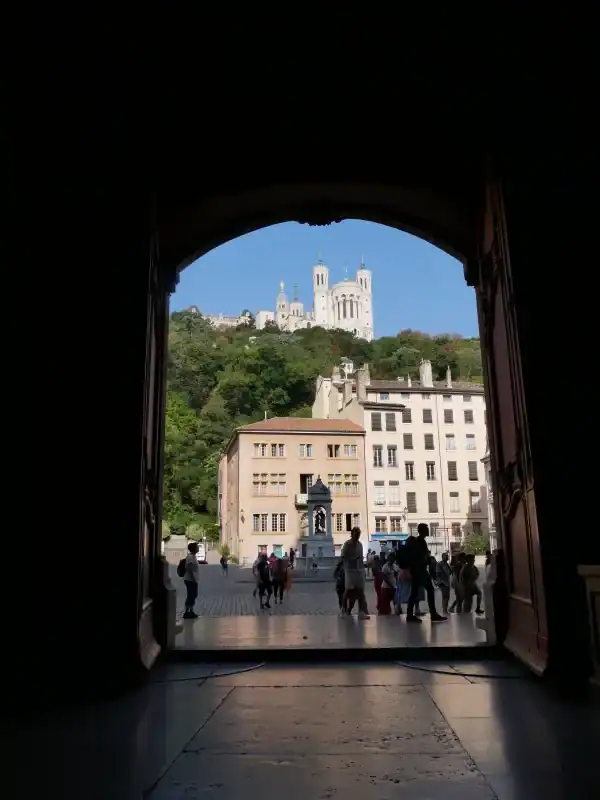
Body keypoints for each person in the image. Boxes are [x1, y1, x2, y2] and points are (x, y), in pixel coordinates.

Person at [403, 524, 446, 623]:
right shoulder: (420, 542)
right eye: (426, 529)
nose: (428, 531)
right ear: (422, 531)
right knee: (429, 590)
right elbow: (423, 557)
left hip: (417, 571)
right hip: (420, 571)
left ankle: (410, 615)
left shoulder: (418, 542)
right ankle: (433, 614)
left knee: (414, 593)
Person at [340, 527, 370, 619]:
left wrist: (363, 571)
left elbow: (360, 558)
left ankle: (361, 612)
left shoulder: (360, 545)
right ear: (352, 534)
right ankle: (343, 610)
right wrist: (352, 559)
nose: (357, 535)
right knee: (348, 590)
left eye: (359, 534)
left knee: (360, 591)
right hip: (350, 570)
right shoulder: (347, 544)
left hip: (359, 570)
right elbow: (343, 556)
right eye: (356, 533)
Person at [183, 541, 200, 620]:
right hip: (190, 579)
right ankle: (186, 612)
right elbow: (189, 567)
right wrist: (194, 578)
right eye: (197, 547)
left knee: (193, 595)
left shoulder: (193, 556)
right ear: (193, 549)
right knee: (191, 595)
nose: (198, 548)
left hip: (193, 579)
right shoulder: (190, 557)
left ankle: (191, 611)